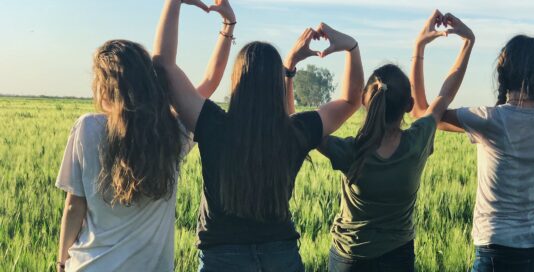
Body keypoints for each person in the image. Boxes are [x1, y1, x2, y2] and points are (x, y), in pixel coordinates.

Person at [151, 0, 364, 270]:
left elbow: (164, 67)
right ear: (276, 84)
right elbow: (350, 101)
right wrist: (351, 47)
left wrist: (174, 2)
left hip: (222, 258)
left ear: (237, 81)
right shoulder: (296, 131)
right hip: (282, 257)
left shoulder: (212, 124)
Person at [55, 5, 230, 269]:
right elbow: (209, 81)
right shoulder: (171, 134)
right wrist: (228, 26)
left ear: (104, 86)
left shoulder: (86, 128)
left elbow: (73, 208)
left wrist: (60, 262)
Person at [410, 15, 534, 272]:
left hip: (497, 249)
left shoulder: (491, 120)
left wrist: (422, 48)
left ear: (503, 72)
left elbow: (422, 113)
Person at [318, 10, 474, 272]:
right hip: (398, 256)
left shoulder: (350, 150)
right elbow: (444, 95)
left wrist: (290, 69)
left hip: (350, 258)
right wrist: (465, 42)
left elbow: (304, 130)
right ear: (409, 105)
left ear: (366, 103)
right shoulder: (417, 141)